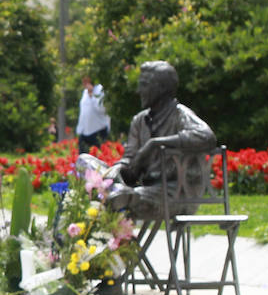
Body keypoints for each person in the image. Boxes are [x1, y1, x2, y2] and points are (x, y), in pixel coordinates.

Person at [78, 60, 216, 221]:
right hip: (145, 189)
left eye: (144, 85)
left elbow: (206, 136)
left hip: (177, 195)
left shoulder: (181, 115)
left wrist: (155, 143)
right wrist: (119, 166)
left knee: (121, 198)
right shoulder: (139, 121)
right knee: (84, 160)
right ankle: (114, 194)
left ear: (161, 88)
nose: (139, 91)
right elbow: (130, 160)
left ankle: (116, 197)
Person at [76, 75, 111, 153]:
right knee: (82, 159)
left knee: (98, 158)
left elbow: (102, 109)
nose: (83, 81)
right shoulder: (85, 92)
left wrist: (92, 95)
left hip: (98, 131)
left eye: (86, 79)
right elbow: (84, 111)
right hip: (85, 132)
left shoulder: (100, 89)